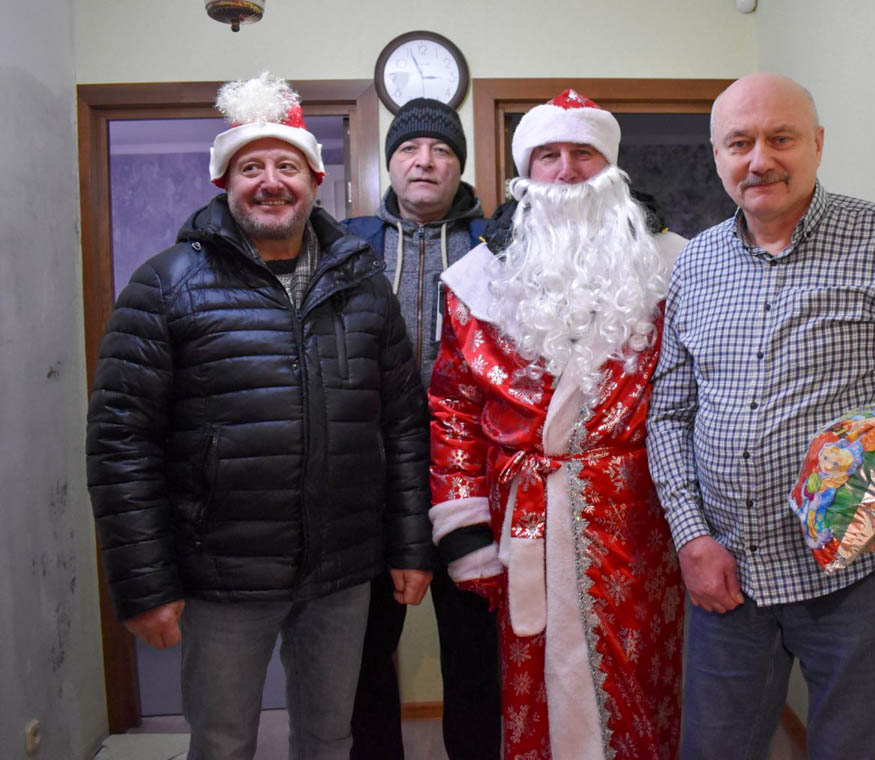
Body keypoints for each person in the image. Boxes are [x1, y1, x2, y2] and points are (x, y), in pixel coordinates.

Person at [86, 72, 433, 760]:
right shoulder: (165, 284)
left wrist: (409, 546)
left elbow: (401, 426)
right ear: (224, 183)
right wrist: (145, 582)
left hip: (342, 574)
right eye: (251, 168)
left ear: (314, 180)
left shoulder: (364, 285)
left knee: (330, 738)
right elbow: (122, 441)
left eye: (287, 166)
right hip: (222, 576)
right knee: (222, 742)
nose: (270, 182)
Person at [646, 72, 875, 760]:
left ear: (818, 144)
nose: (760, 160)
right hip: (728, 573)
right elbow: (669, 414)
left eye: (781, 138)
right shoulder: (693, 264)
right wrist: (690, 537)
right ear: (717, 154)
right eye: (739, 143)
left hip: (857, 576)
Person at [427, 89, 687, 759]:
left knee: (644, 677)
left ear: (612, 167)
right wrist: (465, 532)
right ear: (526, 172)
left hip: (641, 521)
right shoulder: (476, 282)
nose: (567, 171)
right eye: (548, 155)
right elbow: (453, 408)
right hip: (528, 519)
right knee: (534, 673)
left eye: (583, 153)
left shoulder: (673, 267)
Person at [342, 98, 500, 760]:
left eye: (441, 150)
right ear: (390, 164)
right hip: (373, 480)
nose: (425, 161)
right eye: (409, 149)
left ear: (459, 165)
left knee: (477, 652)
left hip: (473, 478)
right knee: (363, 650)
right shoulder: (348, 245)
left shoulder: (500, 241)